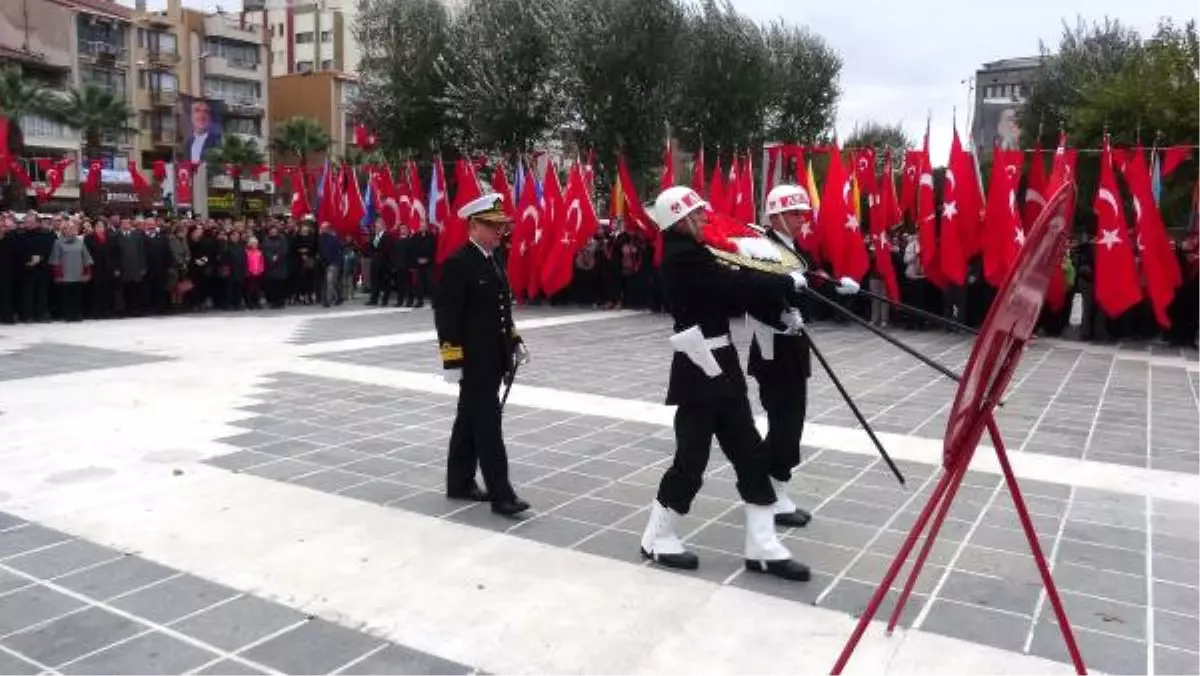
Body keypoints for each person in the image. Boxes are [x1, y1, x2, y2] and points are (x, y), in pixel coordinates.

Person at [638, 185, 810, 581]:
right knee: (692, 459)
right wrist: (785, 283)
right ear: (679, 220)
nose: (704, 219)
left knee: (749, 455)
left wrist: (782, 291)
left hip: (722, 366)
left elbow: (737, 288)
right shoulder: (683, 258)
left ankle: (763, 546)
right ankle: (657, 536)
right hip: (699, 371)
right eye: (697, 215)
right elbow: (734, 288)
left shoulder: (697, 252)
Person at [750, 185, 860, 529]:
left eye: (802, 214)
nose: (802, 220)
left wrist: (836, 286)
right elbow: (751, 291)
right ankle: (771, 493)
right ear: (777, 215)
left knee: (791, 420)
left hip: (794, 346)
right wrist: (779, 317)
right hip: (772, 346)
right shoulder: (760, 248)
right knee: (785, 421)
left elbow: (808, 281)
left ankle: (770, 485)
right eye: (796, 214)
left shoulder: (795, 249)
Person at [434, 193, 530, 517]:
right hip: (474, 362)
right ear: (474, 226)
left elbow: (502, 309)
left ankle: (459, 482)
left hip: (493, 357)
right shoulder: (458, 264)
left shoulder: (493, 259)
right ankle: (502, 494)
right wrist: (451, 360)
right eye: (492, 226)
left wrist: (514, 340)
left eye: (501, 226)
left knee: (468, 420)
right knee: (488, 426)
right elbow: (447, 316)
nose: (499, 232)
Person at [49, 222, 94, 322]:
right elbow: (55, 259)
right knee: (66, 296)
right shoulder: (58, 242)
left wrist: (87, 272)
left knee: (77, 295)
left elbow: (86, 258)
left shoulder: (81, 242)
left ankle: (77, 314)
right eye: (70, 229)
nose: (72, 231)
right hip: (65, 274)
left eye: (74, 229)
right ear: (65, 230)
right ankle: (67, 315)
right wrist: (57, 274)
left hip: (78, 273)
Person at [185, 99, 221, 163]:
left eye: (206, 111)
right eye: (197, 110)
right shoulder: (189, 142)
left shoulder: (218, 141)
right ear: (191, 116)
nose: (201, 115)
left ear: (210, 117)